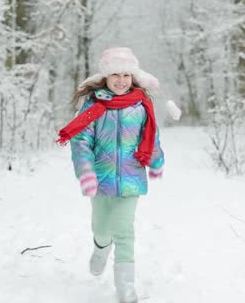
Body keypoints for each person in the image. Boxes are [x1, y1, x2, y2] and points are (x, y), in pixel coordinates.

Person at [56, 47, 164, 303]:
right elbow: (80, 142)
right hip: (101, 181)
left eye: (127, 74)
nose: (121, 80)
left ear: (133, 77)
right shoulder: (94, 107)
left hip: (131, 179)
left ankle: (125, 286)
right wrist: (86, 172)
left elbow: (152, 136)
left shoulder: (141, 106)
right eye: (115, 74)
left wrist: (157, 160)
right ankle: (101, 246)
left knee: (124, 230)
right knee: (102, 228)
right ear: (105, 76)